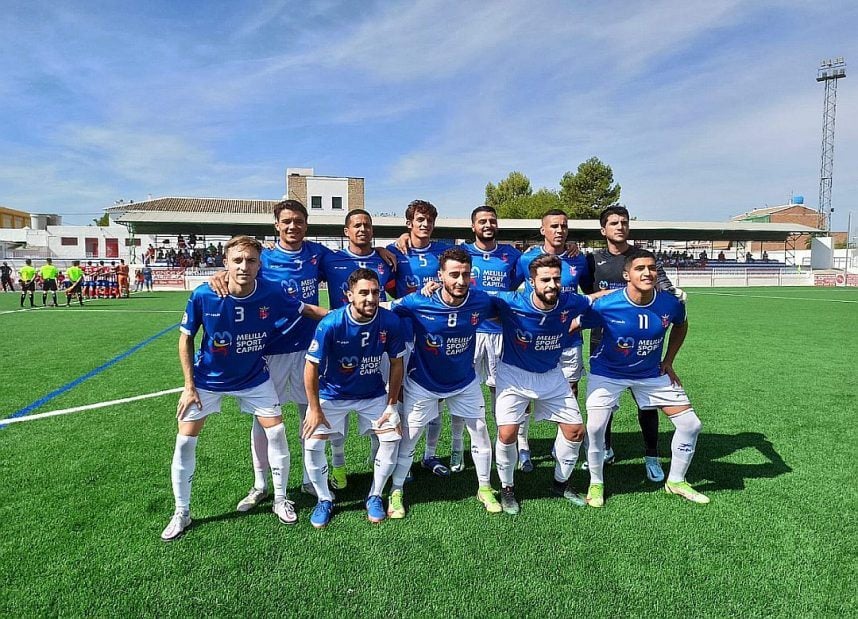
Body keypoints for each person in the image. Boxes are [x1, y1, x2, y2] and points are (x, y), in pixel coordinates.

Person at [160, 235, 328, 541]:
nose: (243, 266)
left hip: (254, 377)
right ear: (225, 263)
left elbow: (306, 309)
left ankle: (279, 498)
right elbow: (185, 338)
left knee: (276, 431)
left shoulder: (271, 292)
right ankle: (181, 512)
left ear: (259, 265)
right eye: (237, 260)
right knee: (184, 441)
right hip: (208, 380)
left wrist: (351, 313)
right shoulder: (204, 295)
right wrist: (188, 386)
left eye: (250, 260)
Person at [576, 250, 708, 508]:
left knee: (691, 425)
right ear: (627, 275)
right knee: (594, 428)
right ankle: (596, 483)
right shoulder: (607, 303)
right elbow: (574, 323)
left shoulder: (670, 303)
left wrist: (668, 360)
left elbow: (681, 324)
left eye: (652, 268)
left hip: (651, 374)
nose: (647, 273)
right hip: (608, 373)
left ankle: (676, 481)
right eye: (640, 268)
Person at [388, 247, 501, 517]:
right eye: (454, 275)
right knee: (409, 438)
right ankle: (396, 490)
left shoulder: (480, 301)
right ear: (440, 275)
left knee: (481, 432)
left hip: (464, 381)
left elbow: (514, 308)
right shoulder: (419, 301)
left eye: (465, 274)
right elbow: (384, 309)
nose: (460, 281)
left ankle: (484, 487)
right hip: (423, 382)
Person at [583, 205, 684, 483]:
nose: (620, 226)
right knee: (604, 406)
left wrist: (675, 294)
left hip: (643, 342)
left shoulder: (643, 258)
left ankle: (651, 455)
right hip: (604, 340)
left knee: (648, 405)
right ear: (603, 230)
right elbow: (586, 295)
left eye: (624, 222)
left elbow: (663, 286)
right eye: (614, 223)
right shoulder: (593, 260)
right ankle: (605, 449)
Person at [492, 255, 597, 514]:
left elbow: (596, 298)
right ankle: (507, 488)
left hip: (551, 374)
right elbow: (472, 299)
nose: (552, 284)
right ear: (531, 282)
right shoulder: (511, 302)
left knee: (575, 431)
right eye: (545, 280)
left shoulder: (569, 301)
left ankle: (561, 484)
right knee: (507, 434)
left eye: (556, 279)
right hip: (513, 374)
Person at [301, 269, 405, 527]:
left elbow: (396, 363)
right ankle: (324, 499)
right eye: (363, 293)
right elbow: (311, 366)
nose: (370, 298)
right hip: (332, 395)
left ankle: (375, 495)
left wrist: (392, 405)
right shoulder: (331, 323)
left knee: (391, 438)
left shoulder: (390, 322)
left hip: (372, 395)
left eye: (375, 292)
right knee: (312, 444)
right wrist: (314, 409)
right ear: (349, 295)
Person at [513, 210, 592, 472]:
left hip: (569, 339)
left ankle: (561, 447)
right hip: (533, 339)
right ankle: (523, 447)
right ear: (542, 230)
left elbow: (589, 296)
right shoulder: (526, 258)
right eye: (554, 226)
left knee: (570, 390)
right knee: (525, 395)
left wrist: (578, 320)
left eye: (564, 226)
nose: (560, 230)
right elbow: (513, 291)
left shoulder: (578, 258)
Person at [449, 205, 523, 472]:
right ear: (473, 226)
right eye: (482, 221)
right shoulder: (463, 253)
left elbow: (540, 261)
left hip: (501, 334)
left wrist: (571, 249)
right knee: (460, 389)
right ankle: (457, 448)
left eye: (492, 220)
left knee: (504, 392)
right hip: (468, 333)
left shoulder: (512, 255)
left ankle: (518, 447)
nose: (488, 224)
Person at [388, 199, 453, 477]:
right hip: (406, 333)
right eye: (419, 220)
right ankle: (405, 455)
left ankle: (430, 455)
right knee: (401, 395)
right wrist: (386, 246)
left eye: (429, 220)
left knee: (435, 396)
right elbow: (388, 287)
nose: (424, 225)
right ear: (409, 224)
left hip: (435, 334)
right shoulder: (394, 251)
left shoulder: (444, 251)